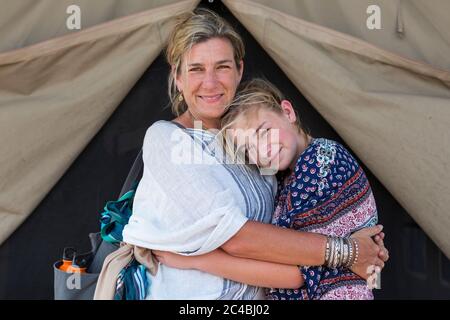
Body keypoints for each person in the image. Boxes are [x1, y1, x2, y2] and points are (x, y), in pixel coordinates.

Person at [122, 8, 388, 300]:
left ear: (239, 70)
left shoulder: (252, 148)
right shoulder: (168, 139)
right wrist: (348, 252)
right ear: (178, 76)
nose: (210, 83)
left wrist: (363, 241)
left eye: (222, 67)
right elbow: (236, 238)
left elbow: (297, 237)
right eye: (196, 68)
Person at [155, 79, 381, 300]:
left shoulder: (320, 164)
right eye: (248, 148)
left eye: (264, 132)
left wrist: (195, 260)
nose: (262, 151)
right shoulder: (286, 177)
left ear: (288, 112)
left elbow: (291, 272)